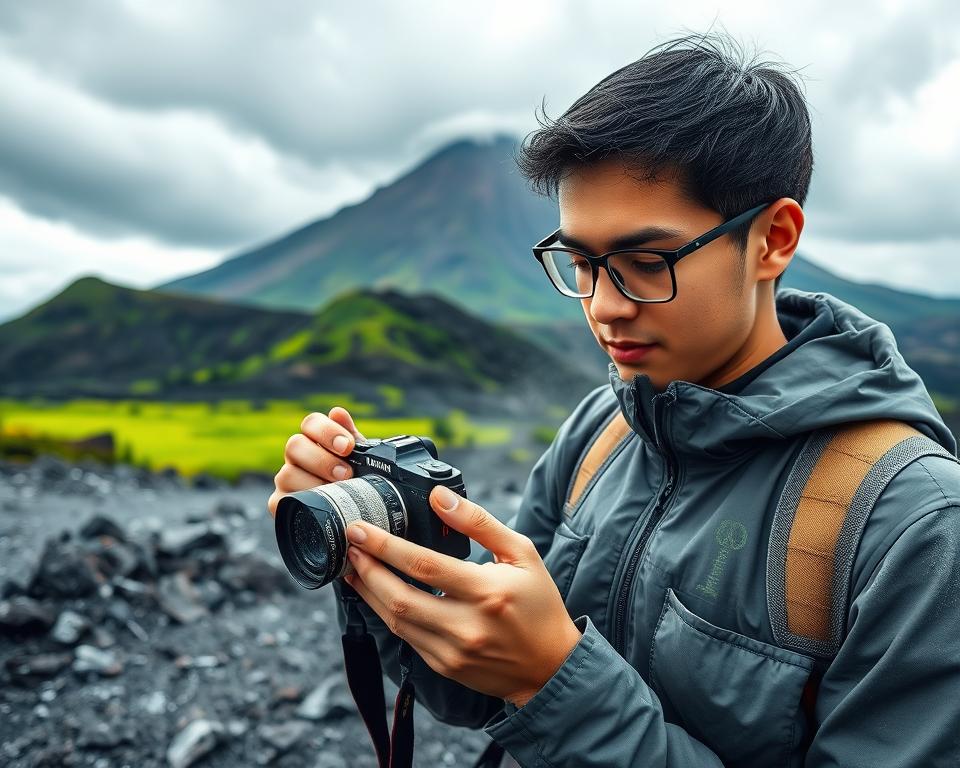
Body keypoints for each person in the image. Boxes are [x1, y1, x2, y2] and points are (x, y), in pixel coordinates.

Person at [268, 31, 960, 767]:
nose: (603, 306)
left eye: (643, 261)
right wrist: (377, 552)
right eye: (580, 262)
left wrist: (556, 681)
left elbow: (538, 684)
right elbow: (477, 693)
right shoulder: (605, 429)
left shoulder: (915, 527)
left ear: (772, 239)